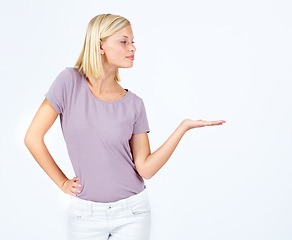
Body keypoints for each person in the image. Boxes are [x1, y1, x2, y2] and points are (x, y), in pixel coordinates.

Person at [24, 13, 226, 240]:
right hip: (85, 216)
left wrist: (183, 127)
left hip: (133, 213)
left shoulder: (134, 104)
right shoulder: (68, 82)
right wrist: (61, 182)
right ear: (100, 45)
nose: (133, 48)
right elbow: (32, 137)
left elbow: (146, 169)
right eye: (124, 41)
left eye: (133, 41)